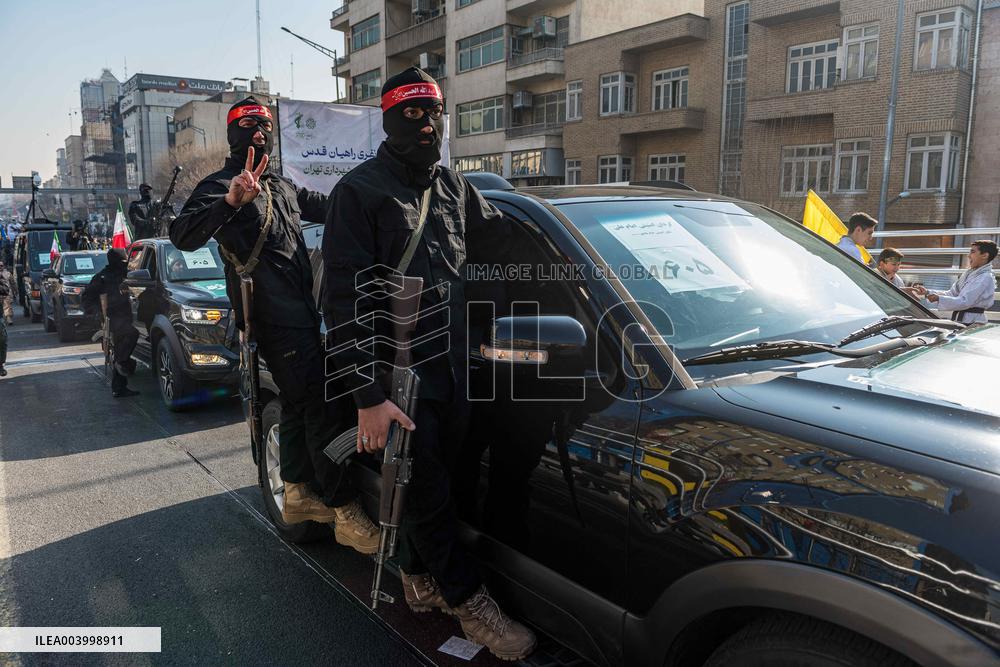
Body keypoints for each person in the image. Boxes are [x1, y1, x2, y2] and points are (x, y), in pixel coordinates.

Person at [323, 67, 536, 661]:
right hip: (397, 376)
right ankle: (471, 604)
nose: (426, 125)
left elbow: (499, 245)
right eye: (412, 115)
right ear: (389, 122)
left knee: (448, 482)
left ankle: (419, 577)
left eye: (435, 112)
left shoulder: (451, 186)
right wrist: (367, 396)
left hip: (455, 369)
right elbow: (343, 303)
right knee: (430, 490)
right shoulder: (359, 192)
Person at [169, 96, 378, 554]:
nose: (259, 132)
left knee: (303, 405)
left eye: (264, 125)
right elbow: (182, 235)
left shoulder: (281, 185)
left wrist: (372, 187)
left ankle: (299, 491)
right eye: (248, 125)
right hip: (271, 318)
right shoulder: (220, 183)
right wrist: (230, 200)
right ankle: (344, 510)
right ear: (232, 133)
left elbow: (329, 205)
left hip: (304, 315)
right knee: (319, 404)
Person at [82, 248, 140, 397]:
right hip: (112, 319)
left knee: (121, 349)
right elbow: (87, 298)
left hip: (125, 317)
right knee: (131, 335)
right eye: (122, 261)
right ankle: (121, 364)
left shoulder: (126, 274)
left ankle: (119, 387)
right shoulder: (102, 277)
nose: (125, 264)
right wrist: (97, 314)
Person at [915, 240, 998, 323]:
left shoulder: (985, 277)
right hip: (961, 319)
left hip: (972, 321)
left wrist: (939, 298)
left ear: (984, 255)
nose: (968, 256)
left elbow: (965, 302)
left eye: (973, 252)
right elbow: (951, 293)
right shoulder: (968, 274)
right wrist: (928, 292)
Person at [0, 260, 15, 325]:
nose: (0, 267)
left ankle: (8, 318)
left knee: (7, 306)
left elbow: (13, 283)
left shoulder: (8, 273)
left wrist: (15, 291)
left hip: (6, 292)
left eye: (1, 266)